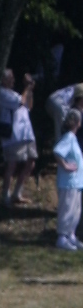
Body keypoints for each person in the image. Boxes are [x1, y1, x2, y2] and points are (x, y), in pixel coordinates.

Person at [2, 79, 39, 207]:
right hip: (14, 135)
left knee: (31, 163)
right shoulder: (3, 94)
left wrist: (30, 90)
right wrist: (27, 88)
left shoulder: (16, 94)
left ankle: (17, 192)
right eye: (10, 78)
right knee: (12, 165)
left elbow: (29, 105)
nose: (13, 80)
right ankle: (5, 195)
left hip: (27, 133)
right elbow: (21, 101)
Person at [54, 107, 83, 250]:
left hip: (76, 183)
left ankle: (71, 235)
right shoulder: (68, 138)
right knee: (66, 209)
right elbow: (57, 151)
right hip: (68, 182)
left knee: (75, 211)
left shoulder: (73, 138)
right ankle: (62, 237)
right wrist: (65, 165)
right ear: (77, 122)